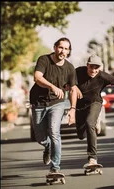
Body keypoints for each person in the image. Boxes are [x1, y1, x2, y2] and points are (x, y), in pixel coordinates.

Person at [69, 54, 114, 167]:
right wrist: (74, 87)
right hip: (80, 106)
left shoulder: (103, 76)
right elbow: (66, 85)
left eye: (97, 68)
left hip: (95, 102)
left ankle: (92, 158)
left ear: (99, 68)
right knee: (81, 135)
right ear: (87, 65)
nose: (94, 70)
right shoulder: (78, 72)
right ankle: (94, 121)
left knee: (89, 123)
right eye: (92, 67)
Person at [30, 37, 81, 173]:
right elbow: (37, 77)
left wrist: (73, 109)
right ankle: (47, 147)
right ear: (55, 47)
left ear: (69, 51)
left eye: (66, 49)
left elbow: (73, 90)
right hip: (38, 102)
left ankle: (55, 168)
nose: (62, 51)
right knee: (40, 137)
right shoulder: (44, 60)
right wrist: (52, 87)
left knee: (54, 132)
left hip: (56, 103)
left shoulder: (70, 68)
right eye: (60, 47)